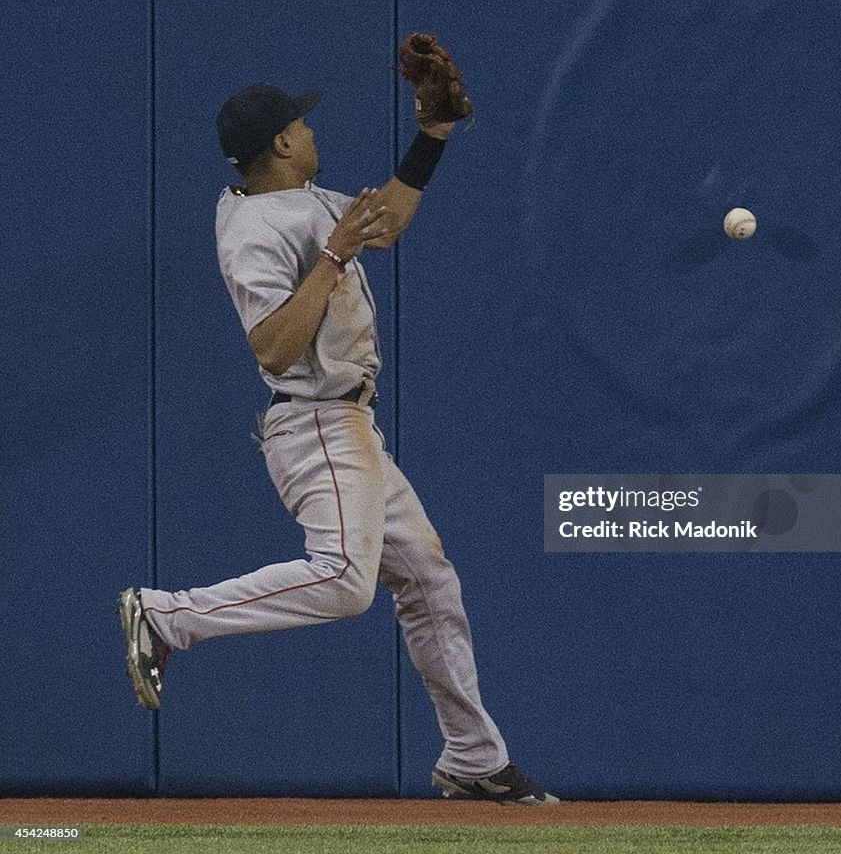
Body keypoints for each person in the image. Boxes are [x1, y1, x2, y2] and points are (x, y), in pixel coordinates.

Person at [117, 81, 557, 806]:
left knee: (428, 579)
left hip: (349, 424)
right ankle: (170, 616)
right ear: (283, 144)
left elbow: (385, 221)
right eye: (302, 124)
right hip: (315, 419)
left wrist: (434, 134)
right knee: (348, 582)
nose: (312, 132)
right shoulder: (255, 227)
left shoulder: (308, 202)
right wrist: (329, 259)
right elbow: (273, 348)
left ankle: (474, 757)